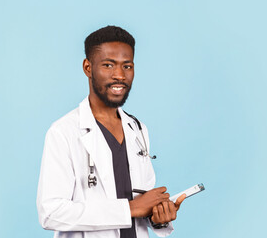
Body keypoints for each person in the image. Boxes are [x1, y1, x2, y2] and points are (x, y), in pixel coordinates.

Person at [36, 25, 186, 238]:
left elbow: (143, 204)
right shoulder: (63, 132)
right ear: (88, 67)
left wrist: (157, 216)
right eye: (108, 65)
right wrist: (129, 209)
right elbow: (50, 213)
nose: (119, 76)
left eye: (127, 66)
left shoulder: (138, 129)